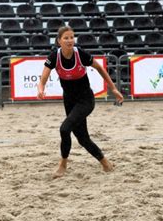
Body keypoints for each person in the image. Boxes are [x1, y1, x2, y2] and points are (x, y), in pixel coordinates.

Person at [37, 26, 124, 179]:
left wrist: (114, 89)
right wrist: (41, 88)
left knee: (64, 129)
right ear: (59, 41)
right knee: (83, 138)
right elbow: (43, 77)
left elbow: (100, 69)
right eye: (66, 38)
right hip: (69, 100)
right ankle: (106, 163)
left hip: (85, 99)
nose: (70, 40)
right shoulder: (54, 56)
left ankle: (62, 165)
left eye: (72, 37)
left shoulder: (80, 54)